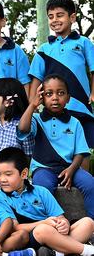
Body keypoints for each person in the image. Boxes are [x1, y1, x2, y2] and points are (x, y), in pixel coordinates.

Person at [28, 0, 94, 166]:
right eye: (51, 17)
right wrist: (32, 103)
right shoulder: (44, 49)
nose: (55, 20)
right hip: (53, 109)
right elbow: (36, 78)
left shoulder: (83, 42)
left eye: (60, 15)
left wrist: (93, 92)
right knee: (57, 146)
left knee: (84, 148)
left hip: (81, 107)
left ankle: (82, 185)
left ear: (72, 17)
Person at [18, 74, 94, 218]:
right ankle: (50, 225)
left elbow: (81, 152)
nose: (55, 97)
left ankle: (91, 225)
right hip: (44, 168)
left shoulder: (74, 122)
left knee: (90, 184)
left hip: (70, 167)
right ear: (42, 97)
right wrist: (32, 105)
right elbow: (22, 129)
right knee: (42, 187)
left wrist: (71, 169)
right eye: (49, 94)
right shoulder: (36, 119)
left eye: (61, 93)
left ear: (68, 98)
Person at [0, 147, 94, 256]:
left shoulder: (41, 191)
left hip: (54, 234)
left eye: (8, 174)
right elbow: (15, 228)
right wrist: (44, 223)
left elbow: (60, 217)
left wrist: (63, 224)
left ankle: (58, 253)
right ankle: (86, 250)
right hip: (33, 237)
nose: (2, 179)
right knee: (43, 230)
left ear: (23, 174)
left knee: (88, 223)